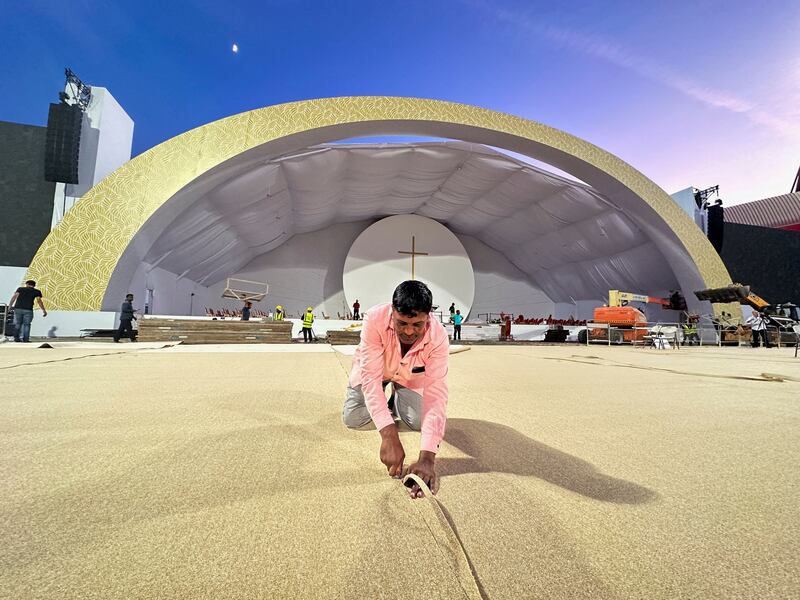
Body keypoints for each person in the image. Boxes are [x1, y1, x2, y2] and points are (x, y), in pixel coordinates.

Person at [342, 280, 449, 499]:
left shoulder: (439, 337)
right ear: (392, 312)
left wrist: (427, 459)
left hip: (408, 378)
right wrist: (388, 435)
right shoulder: (374, 319)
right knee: (352, 418)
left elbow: (436, 395)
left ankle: (393, 399)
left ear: (428, 317)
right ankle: (386, 407)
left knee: (420, 422)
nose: (409, 331)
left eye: (417, 325)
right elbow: (370, 379)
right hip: (376, 374)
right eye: (402, 323)